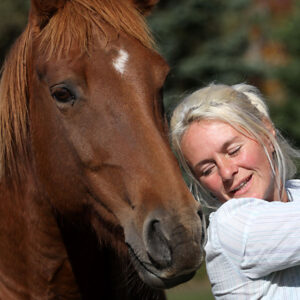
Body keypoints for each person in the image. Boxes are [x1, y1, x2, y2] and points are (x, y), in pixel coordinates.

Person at [170, 83, 300, 299]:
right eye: (207, 169)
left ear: (266, 133)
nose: (227, 172)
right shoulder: (233, 227)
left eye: (233, 150)